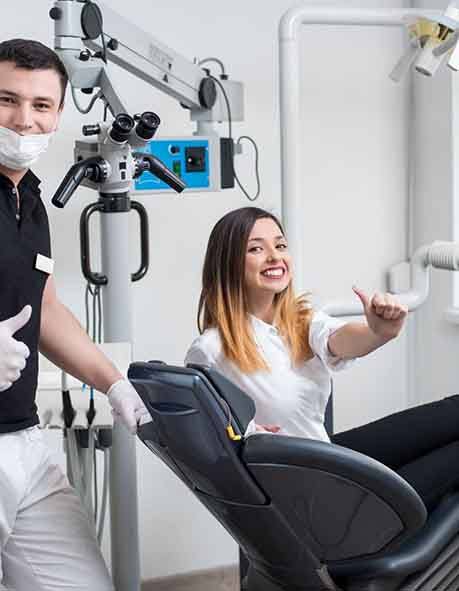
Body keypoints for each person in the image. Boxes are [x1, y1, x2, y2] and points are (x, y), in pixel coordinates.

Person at [185, 206, 459, 513]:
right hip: (312, 499)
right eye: (256, 249)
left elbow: (342, 340)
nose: (275, 256)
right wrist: (247, 438)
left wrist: (379, 331)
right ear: (228, 264)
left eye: (280, 245)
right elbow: (205, 445)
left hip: (323, 460)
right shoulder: (211, 350)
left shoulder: (301, 321)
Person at [0, 39, 149, 590]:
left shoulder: (29, 197)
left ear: (59, 114)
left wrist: (114, 383)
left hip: (24, 439)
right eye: (6, 100)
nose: (24, 120)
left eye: (41, 106)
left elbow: (45, 306)